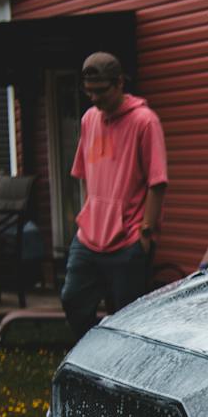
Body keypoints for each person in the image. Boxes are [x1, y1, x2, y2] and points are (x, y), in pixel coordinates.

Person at [61, 52, 168, 338]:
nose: (94, 99)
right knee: (73, 300)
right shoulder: (88, 120)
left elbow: (157, 182)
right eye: (89, 92)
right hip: (89, 239)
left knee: (128, 319)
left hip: (127, 240)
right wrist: (86, 215)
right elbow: (83, 174)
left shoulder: (144, 122)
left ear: (119, 83)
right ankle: (93, 355)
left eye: (101, 91)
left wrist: (145, 234)